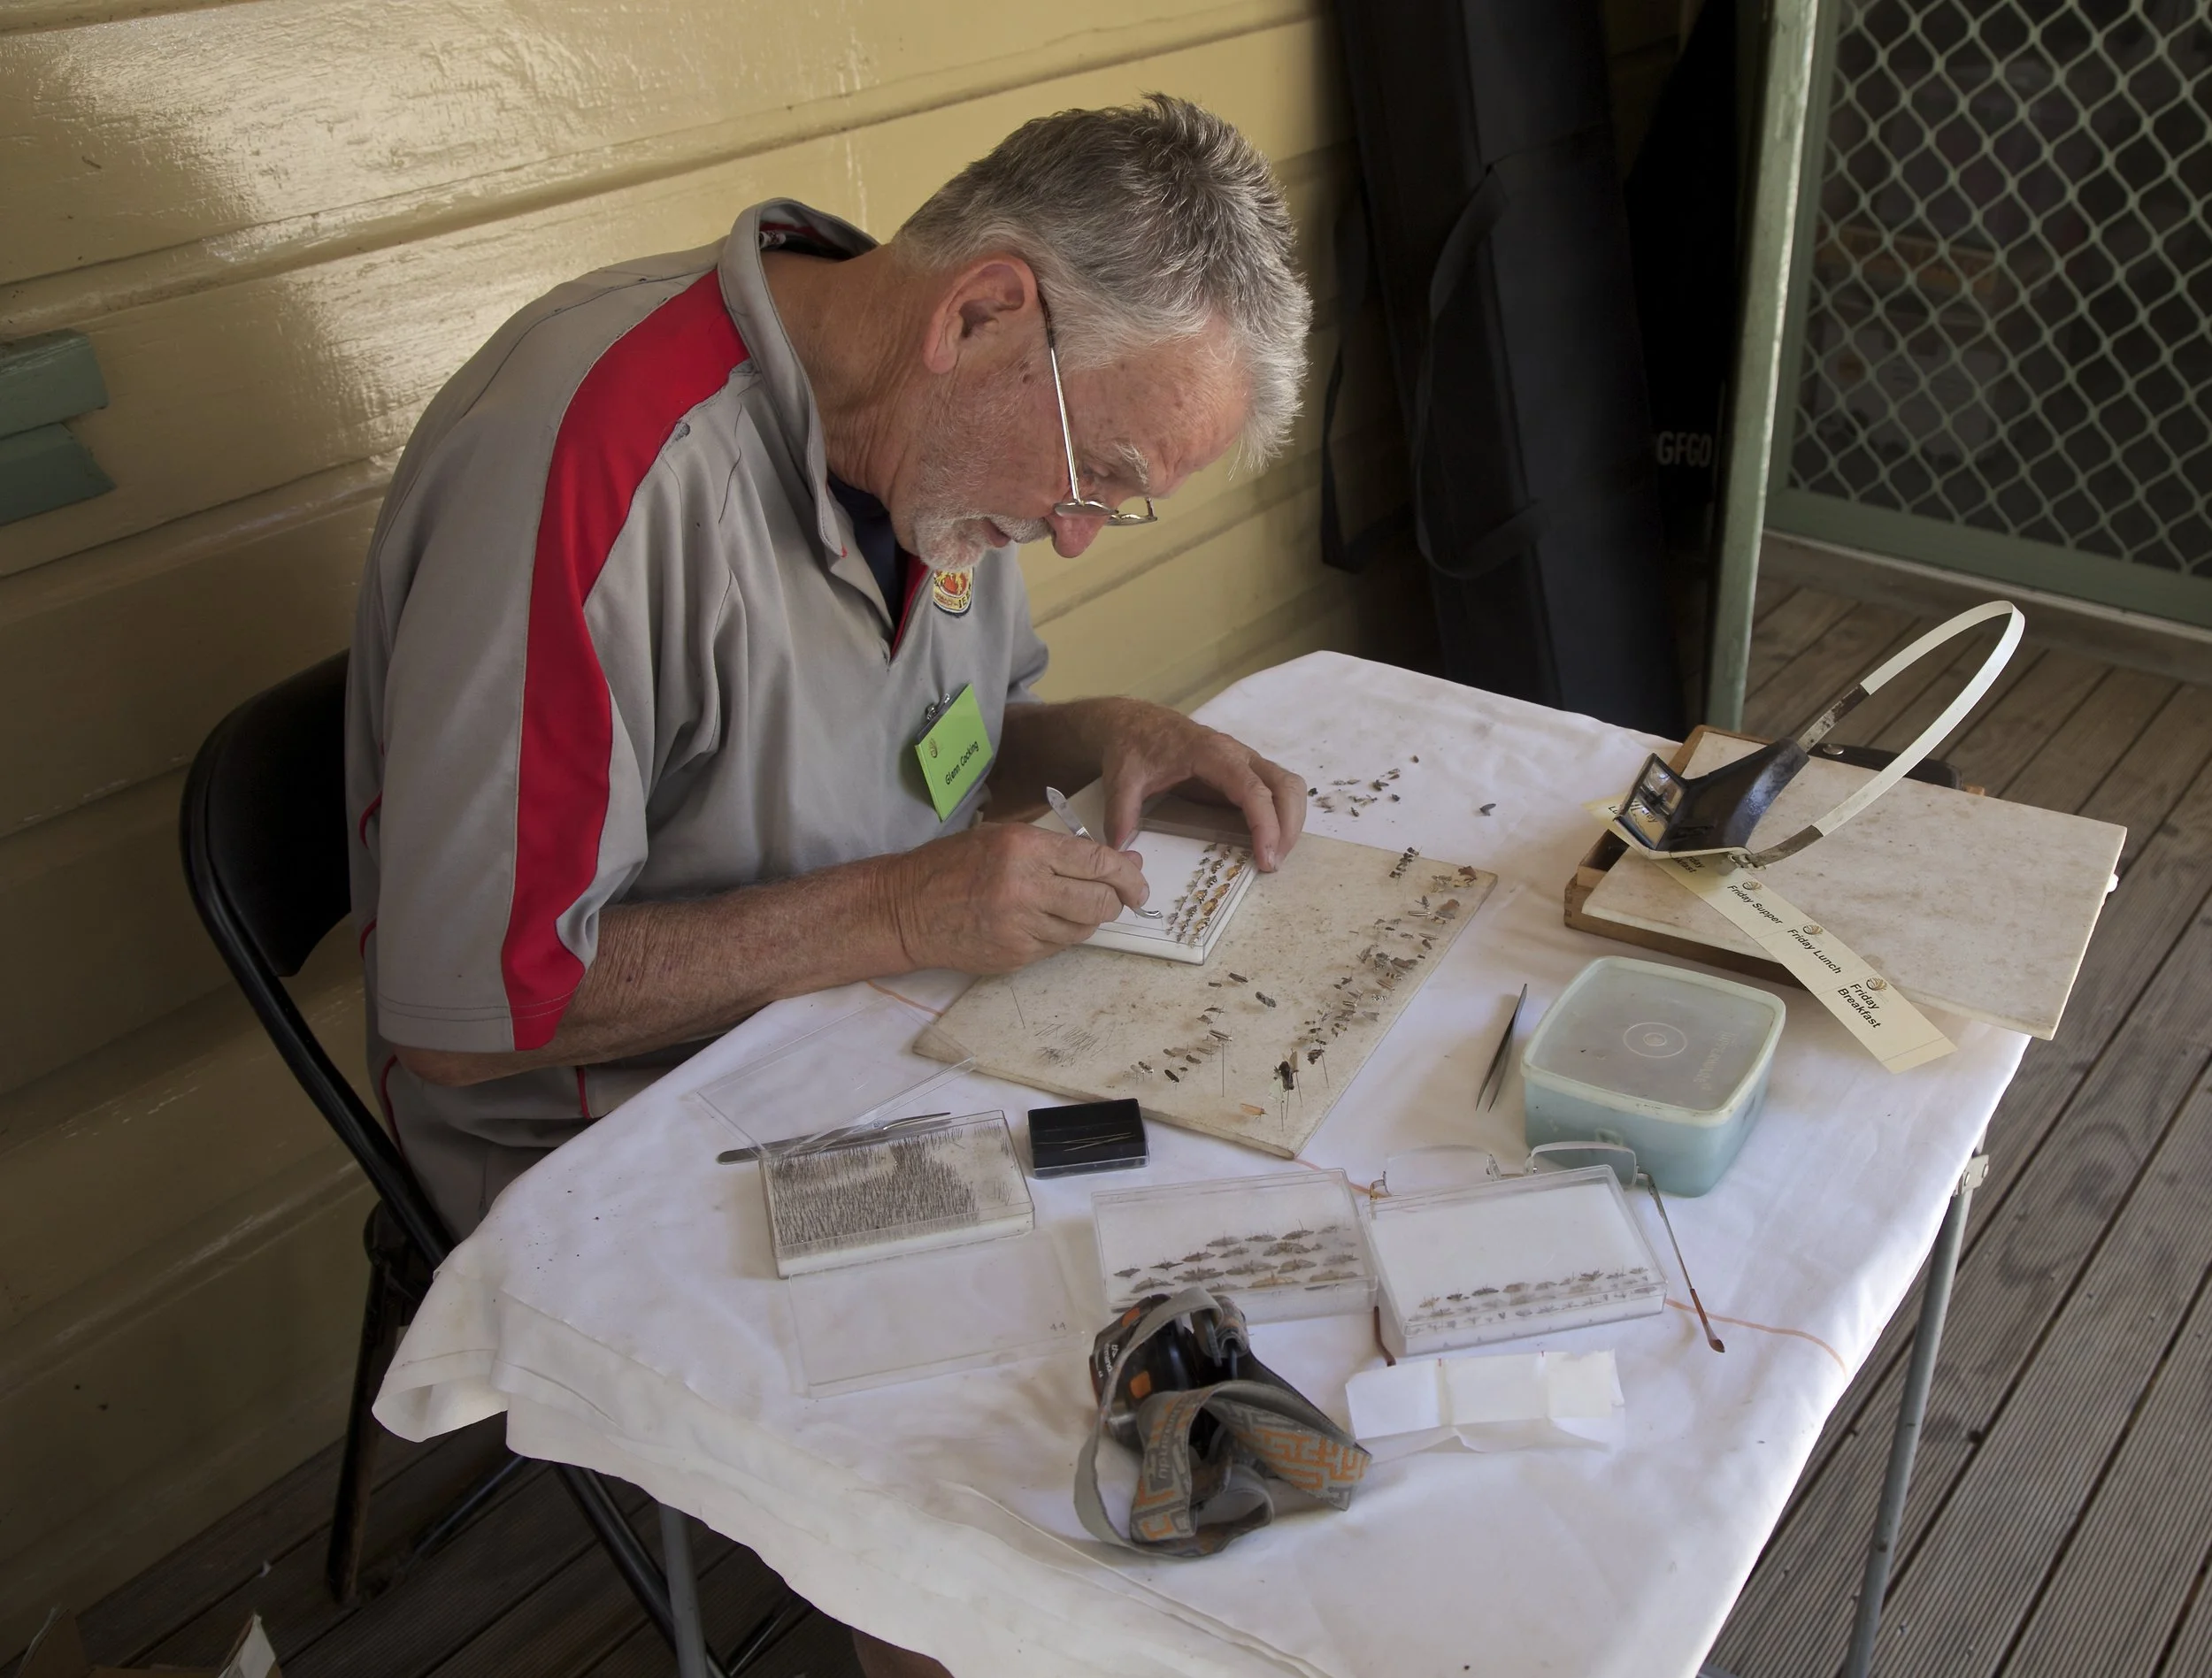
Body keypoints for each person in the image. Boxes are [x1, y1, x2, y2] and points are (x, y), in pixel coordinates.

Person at [346, 95, 1310, 1674]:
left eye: (1119, 504)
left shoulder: (936, 438)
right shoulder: (592, 463)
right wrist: (898, 913)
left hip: (856, 1029)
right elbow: (472, 1016)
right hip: (608, 1118)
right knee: (995, 1455)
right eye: (1097, 477)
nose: (1071, 540)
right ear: (984, 310)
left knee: (1215, 1223)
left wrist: (1100, 734)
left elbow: (946, 736)